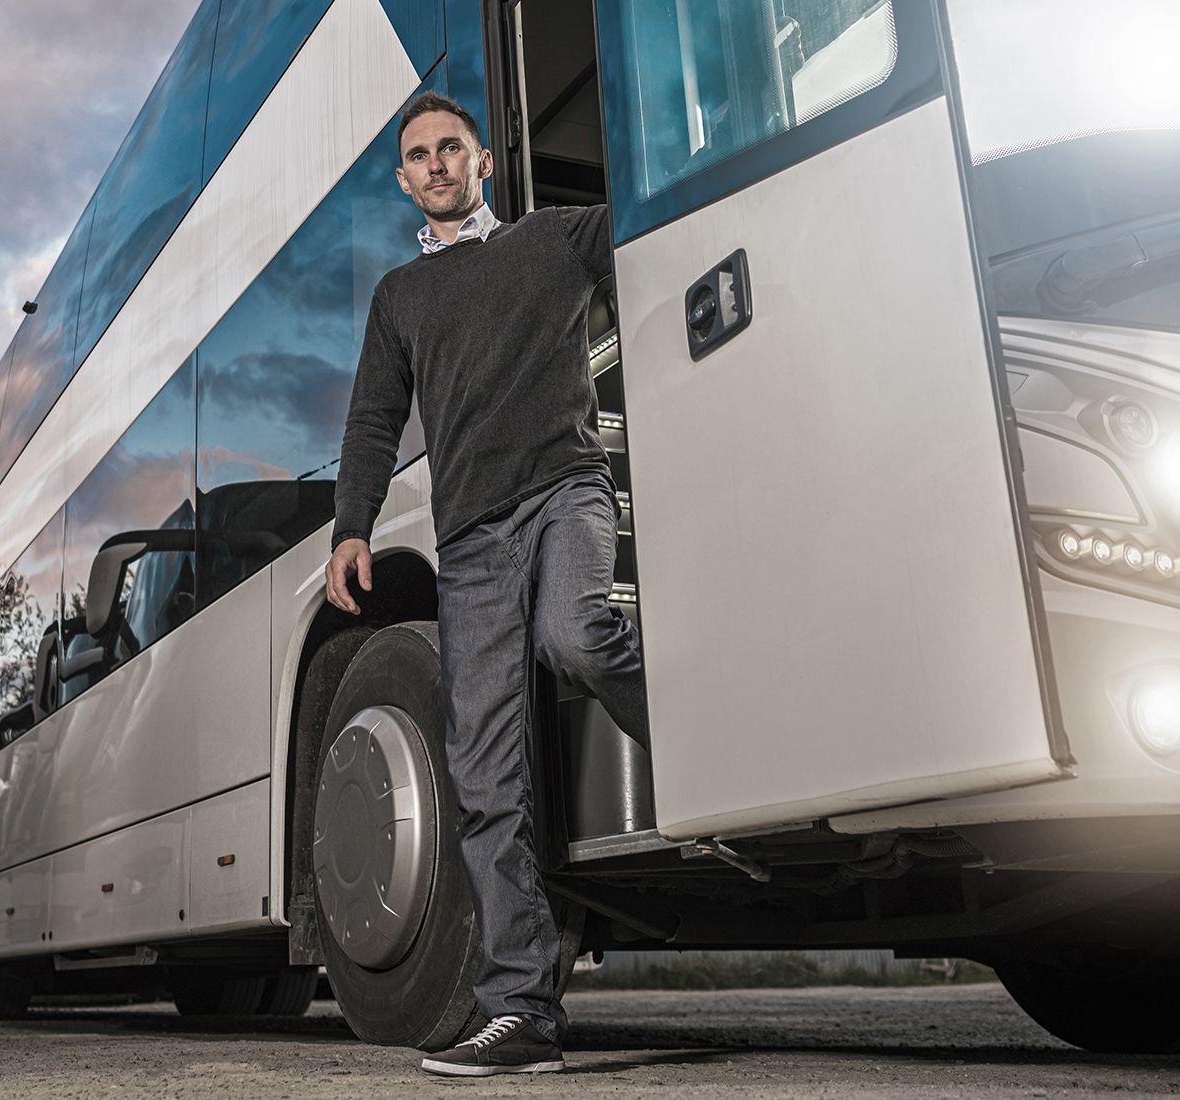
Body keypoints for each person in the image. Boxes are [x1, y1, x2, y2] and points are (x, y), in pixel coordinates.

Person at [325, 91, 649, 1077]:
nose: (434, 164)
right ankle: (522, 1008)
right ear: (403, 179)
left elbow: (655, 220)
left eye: (450, 148)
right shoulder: (400, 300)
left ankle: (699, 727)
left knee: (579, 635)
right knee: (486, 778)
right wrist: (352, 525)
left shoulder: (555, 242)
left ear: (484, 163)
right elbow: (375, 421)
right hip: (469, 540)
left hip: (566, 490)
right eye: (417, 155)